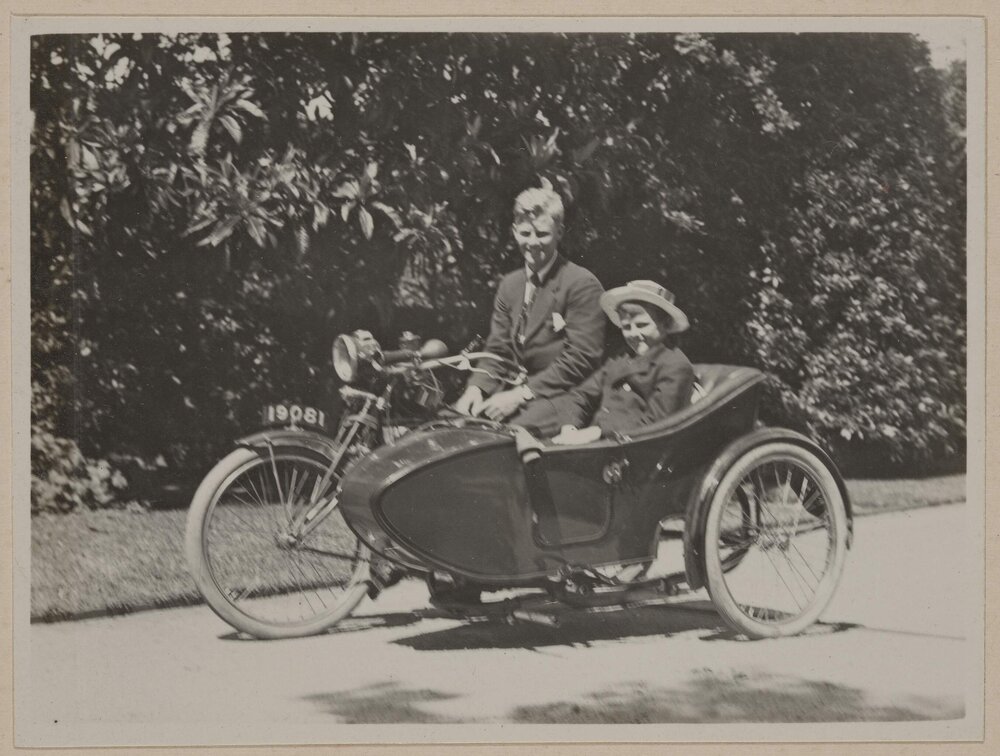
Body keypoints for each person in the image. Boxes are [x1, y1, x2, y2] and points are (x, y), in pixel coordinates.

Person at [453, 186, 606, 429]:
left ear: (560, 233)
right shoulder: (510, 285)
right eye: (525, 233)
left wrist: (520, 395)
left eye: (542, 234)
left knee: (498, 441)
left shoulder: (581, 284)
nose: (532, 243)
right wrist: (476, 388)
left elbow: (581, 360)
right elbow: (497, 350)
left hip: (563, 397)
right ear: (514, 231)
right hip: (513, 392)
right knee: (454, 426)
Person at [516, 279, 695, 444]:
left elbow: (656, 425)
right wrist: (570, 427)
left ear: (665, 324)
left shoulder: (675, 366)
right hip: (598, 445)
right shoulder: (621, 359)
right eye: (626, 327)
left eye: (642, 325)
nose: (634, 334)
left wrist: (597, 432)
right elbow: (581, 395)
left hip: (634, 451)